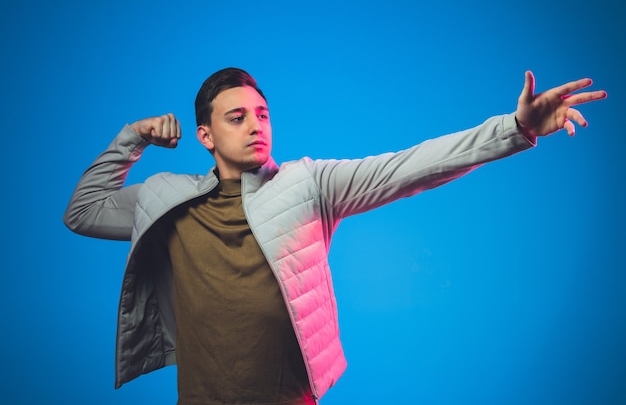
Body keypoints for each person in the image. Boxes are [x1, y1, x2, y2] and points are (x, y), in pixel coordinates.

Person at [63, 68, 606, 405]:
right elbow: (83, 211)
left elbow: (411, 166)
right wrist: (131, 138)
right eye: (236, 118)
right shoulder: (167, 198)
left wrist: (516, 128)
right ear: (205, 135)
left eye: (262, 113)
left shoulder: (309, 184)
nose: (256, 125)